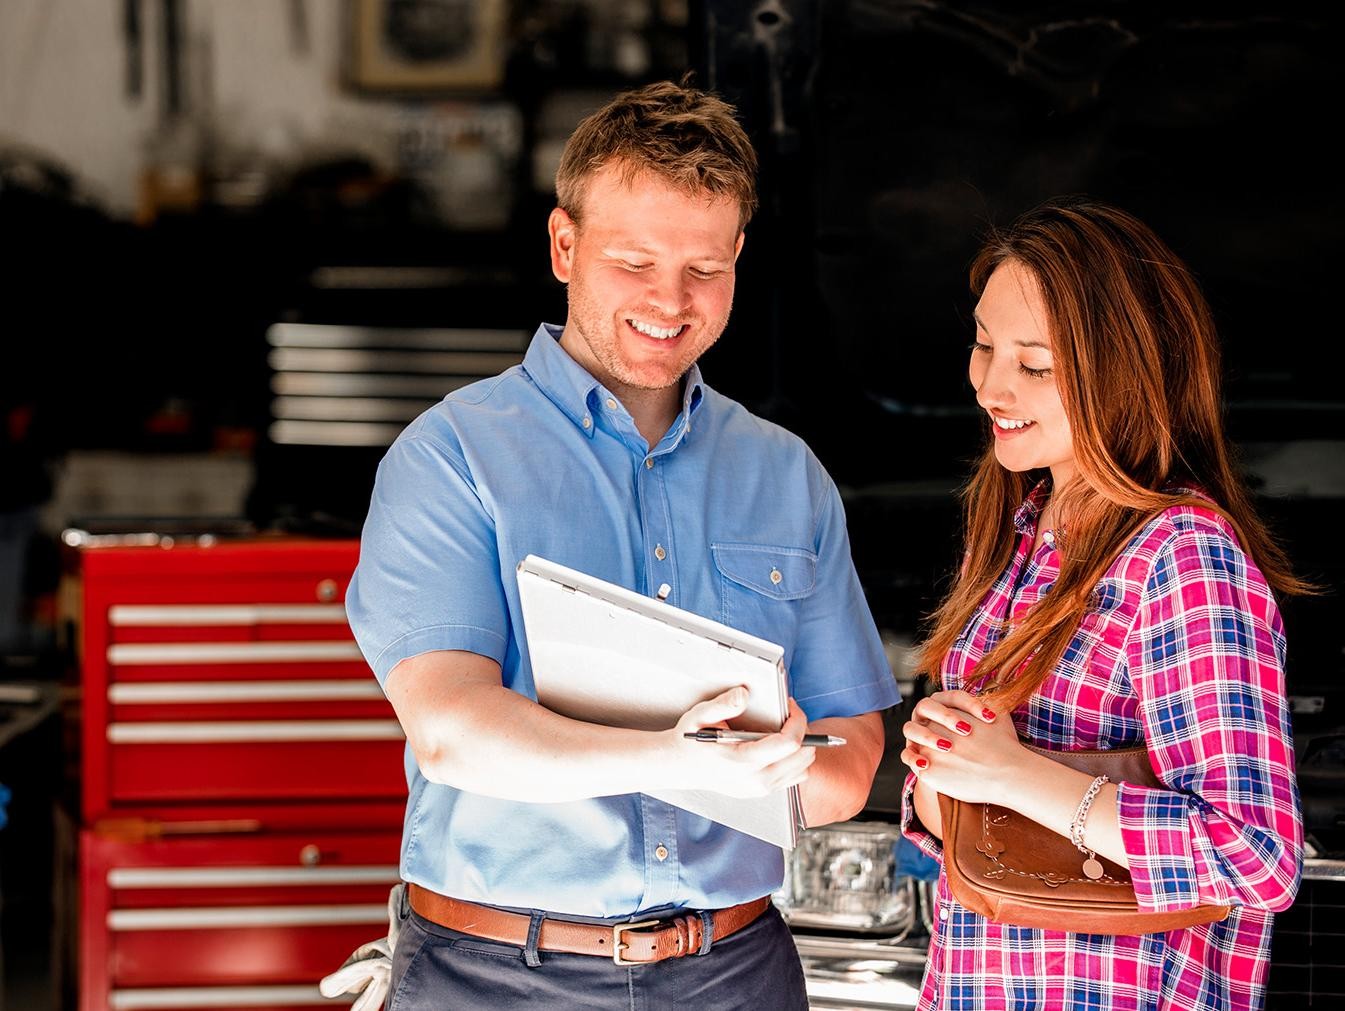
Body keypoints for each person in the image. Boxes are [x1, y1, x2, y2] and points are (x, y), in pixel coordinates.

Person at [341, 79, 900, 1009]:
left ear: (737, 259)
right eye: (633, 261)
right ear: (565, 245)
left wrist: (789, 766)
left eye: (703, 268)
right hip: (494, 976)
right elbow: (449, 732)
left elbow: (848, 753)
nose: (669, 301)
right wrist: (678, 760)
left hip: (735, 969)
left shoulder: (785, 472)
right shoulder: (452, 456)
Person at [900, 196, 1305, 1010]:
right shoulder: (1022, 529)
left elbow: (1255, 857)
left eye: (1035, 364)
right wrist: (940, 770)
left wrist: (1015, 776)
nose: (989, 385)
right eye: (982, 344)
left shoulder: (1182, 558)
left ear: (1122, 369)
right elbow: (971, 827)